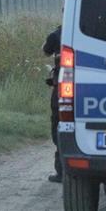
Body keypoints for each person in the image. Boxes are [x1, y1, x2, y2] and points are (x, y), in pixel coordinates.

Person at [43, 22, 63, 183]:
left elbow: (45, 51)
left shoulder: (56, 35)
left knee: (59, 125)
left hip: (63, 88)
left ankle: (62, 171)